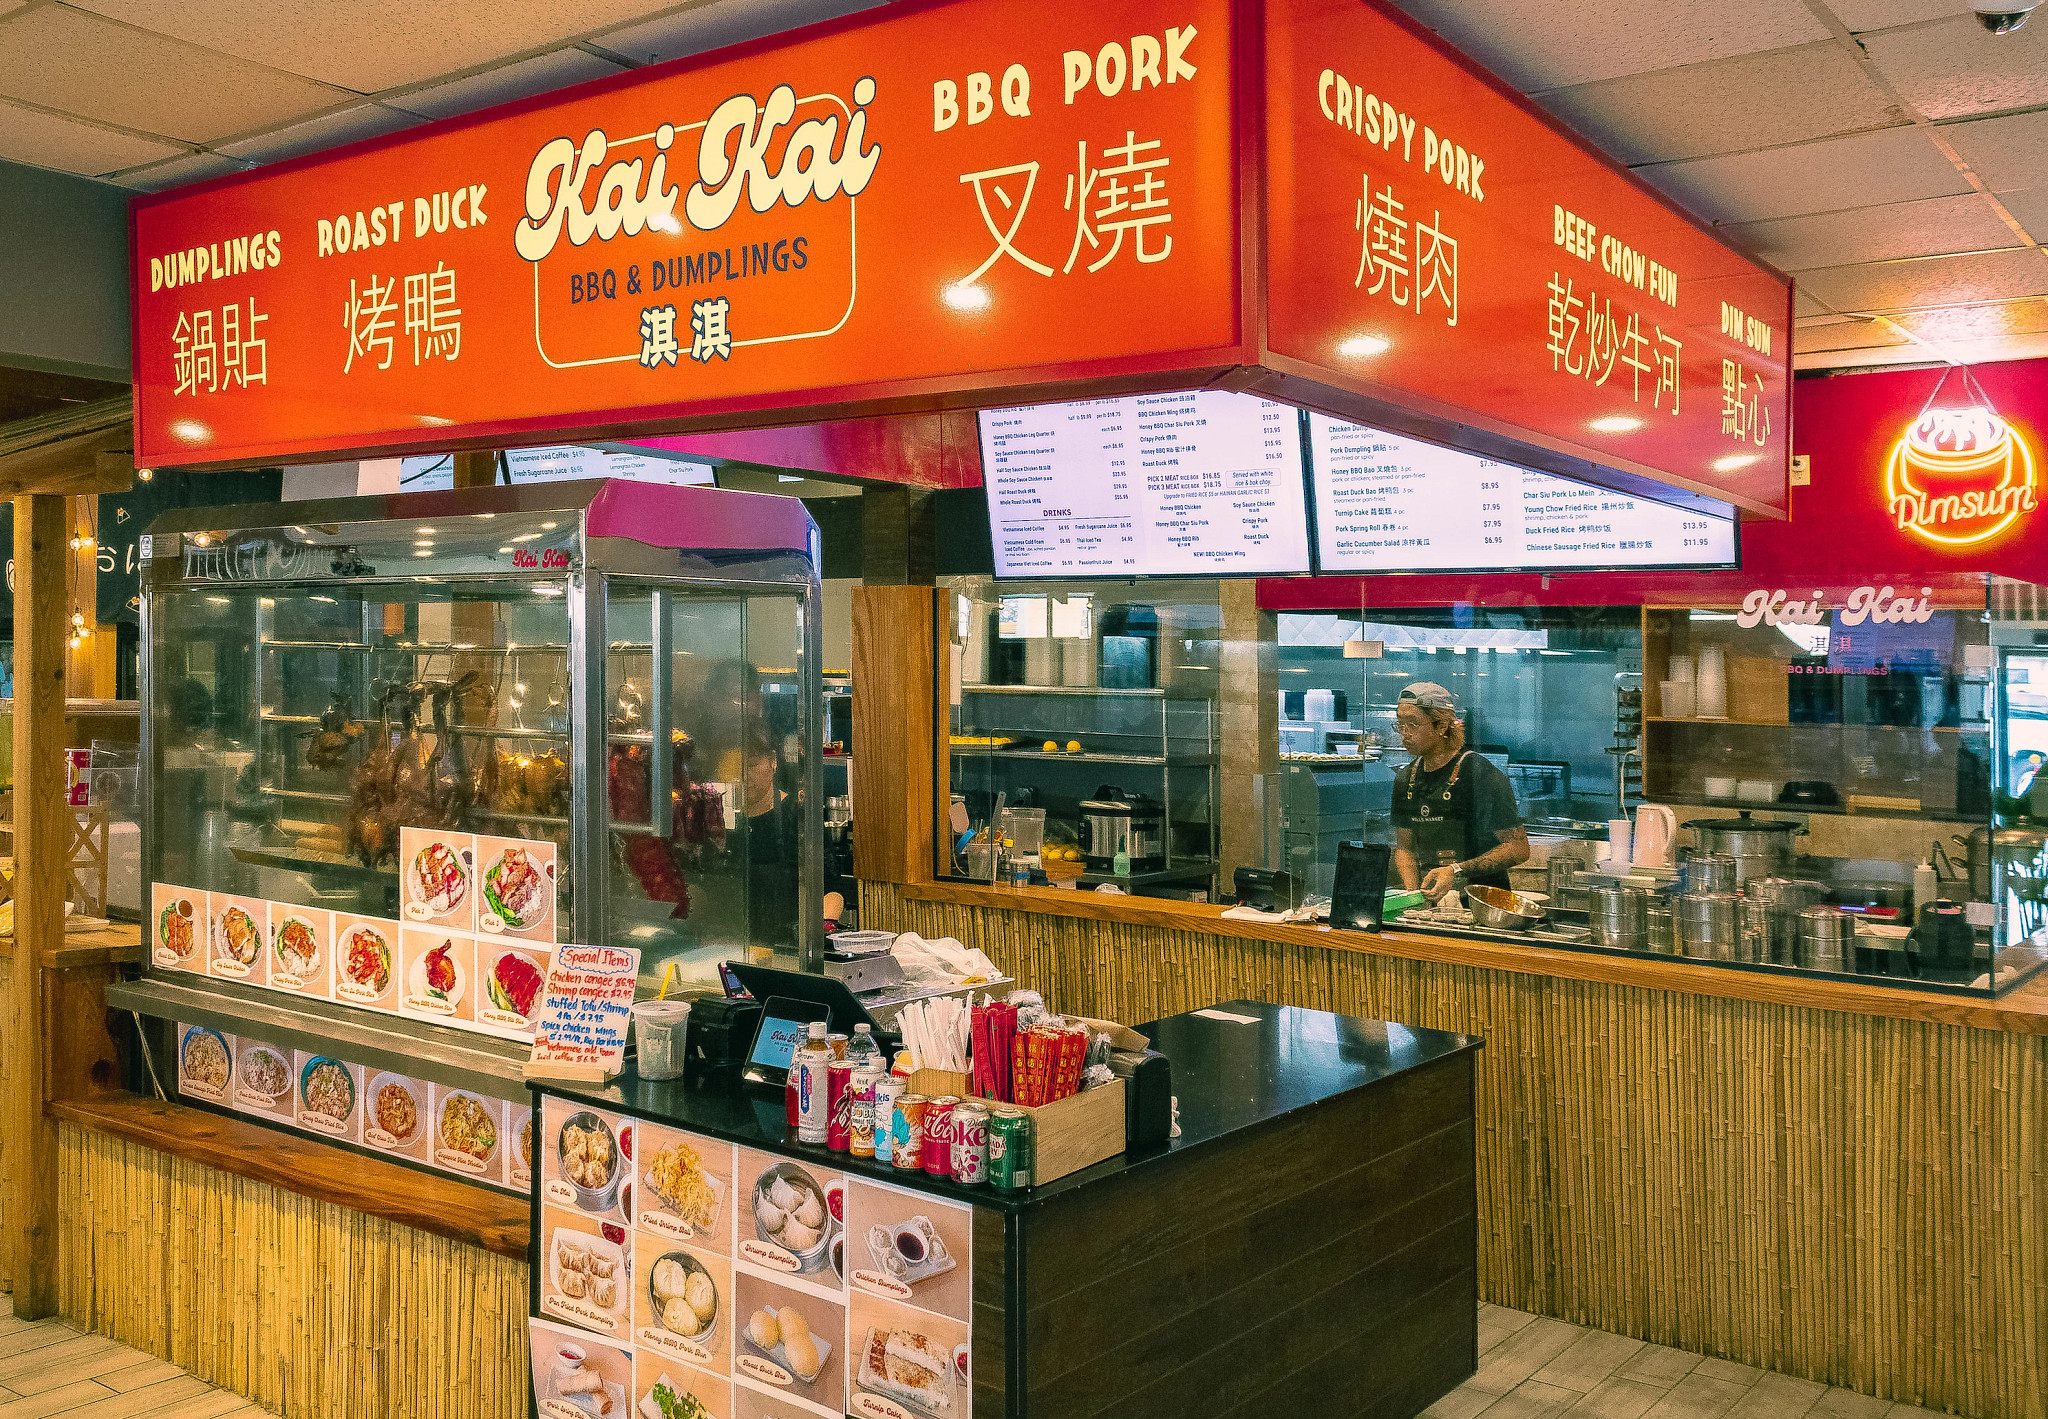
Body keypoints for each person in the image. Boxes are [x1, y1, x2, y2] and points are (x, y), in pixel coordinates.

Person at [1390, 681, 1529, 901]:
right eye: (1400, 724)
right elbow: (1404, 849)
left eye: (1413, 724)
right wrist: (1413, 895)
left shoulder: (1480, 775)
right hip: (1432, 907)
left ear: (1442, 726)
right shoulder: (1405, 779)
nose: (1404, 733)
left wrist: (1455, 870)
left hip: (1484, 905)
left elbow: (1518, 848)